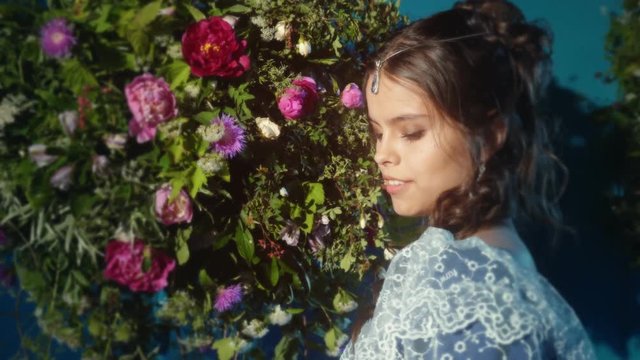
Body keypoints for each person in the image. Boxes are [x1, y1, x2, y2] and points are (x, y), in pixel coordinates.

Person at [340, 0, 597, 359]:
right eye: (378, 133)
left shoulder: (473, 292)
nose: (382, 155)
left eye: (411, 132)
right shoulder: (463, 264)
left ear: (491, 136)